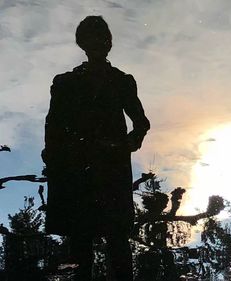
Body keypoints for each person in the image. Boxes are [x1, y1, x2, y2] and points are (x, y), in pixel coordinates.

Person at [42, 15, 150, 281]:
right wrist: (54, 158)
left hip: (112, 168)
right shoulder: (65, 82)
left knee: (117, 239)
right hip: (78, 169)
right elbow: (53, 125)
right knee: (80, 241)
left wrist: (129, 143)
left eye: (102, 39)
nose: (97, 45)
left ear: (108, 43)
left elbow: (141, 122)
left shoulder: (122, 81)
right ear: (82, 44)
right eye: (90, 39)